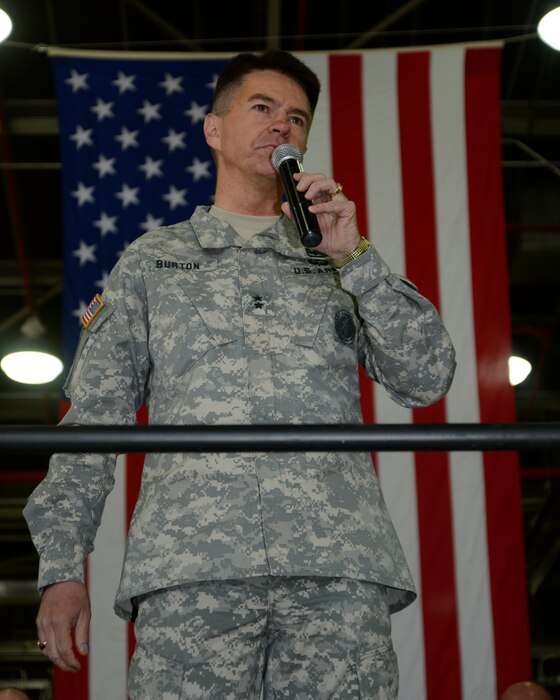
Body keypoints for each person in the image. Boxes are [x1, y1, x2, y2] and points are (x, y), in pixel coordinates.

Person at [24, 49, 456, 698]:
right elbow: (92, 424)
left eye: (298, 119)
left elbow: (426, 379)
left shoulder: (341, 257)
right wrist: (61, 568)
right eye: (263, 108)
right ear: (214, 130)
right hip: (193, 572)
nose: (283, 126)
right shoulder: (151, 263)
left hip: (335, 568)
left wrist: (356, 258)